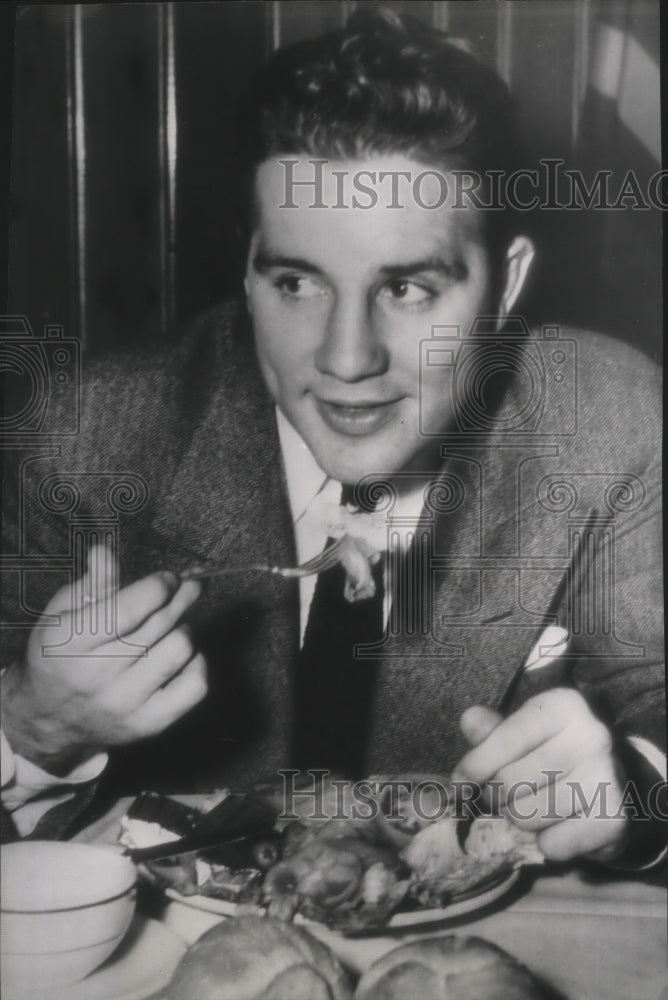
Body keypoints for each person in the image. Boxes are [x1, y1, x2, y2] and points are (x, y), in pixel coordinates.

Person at [1, 11, 664, 868]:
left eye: (409, 289)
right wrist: (31, 724)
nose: (347, 359)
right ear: (248, 271)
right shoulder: (88, 435)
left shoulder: (613, 421)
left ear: (507, 289)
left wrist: (634, 790)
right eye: (297, 283)